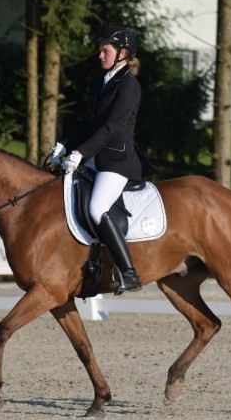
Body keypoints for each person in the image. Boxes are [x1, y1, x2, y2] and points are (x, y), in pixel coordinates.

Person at [49, 26, 153, 293]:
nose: (100, 55)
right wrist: (65, 147)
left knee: (97, 208)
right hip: (94, 157)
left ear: (123, 53)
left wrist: (80, 154)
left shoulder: (130, 85)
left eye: (105, 50)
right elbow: (88, 124)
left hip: (117, 162)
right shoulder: (102, 82)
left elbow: (112, 128)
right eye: (101, 50)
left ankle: (129, 273)